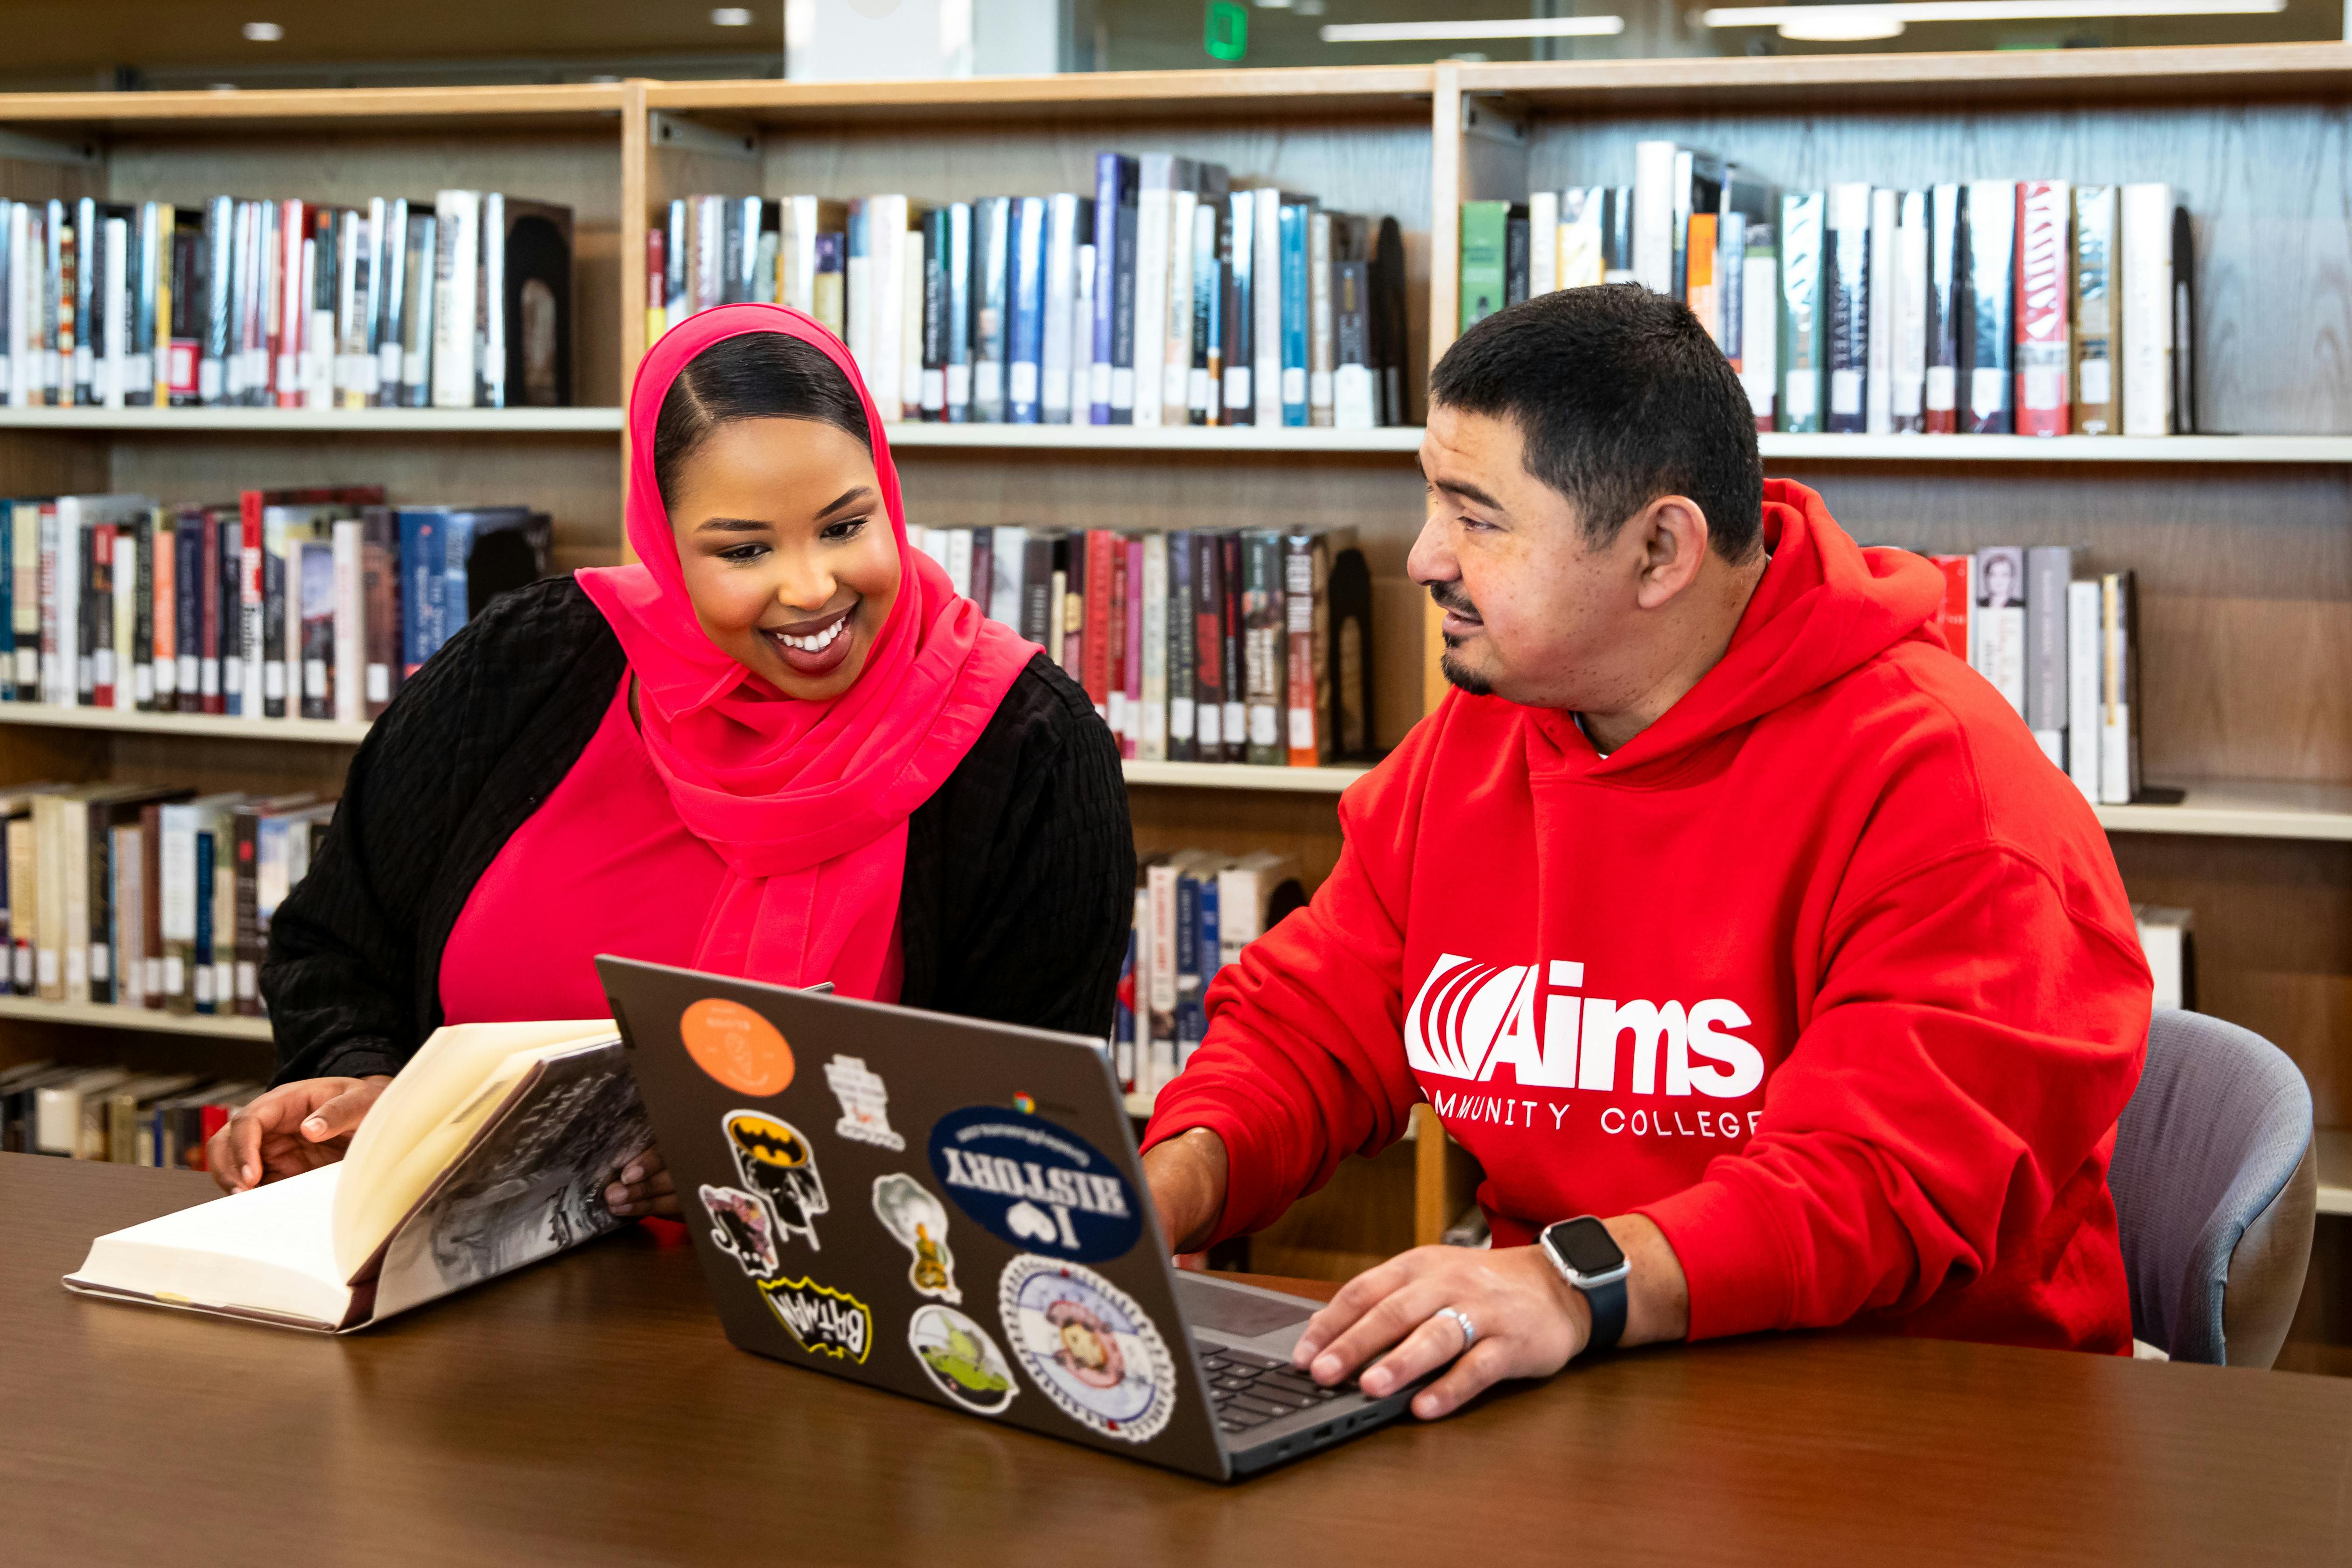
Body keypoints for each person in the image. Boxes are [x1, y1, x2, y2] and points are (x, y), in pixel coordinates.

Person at [1141, 285, 2151, 1421]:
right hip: (1580, 1396)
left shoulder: (1950, 796)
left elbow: (1871, 1185)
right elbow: (1311, 1027)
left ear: (1661, 548)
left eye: (1477, 518)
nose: (1424, 557)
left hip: (1914, 1422)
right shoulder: (1476, 739)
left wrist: (1574, 1286)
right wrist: (1168, 1187)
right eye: (1431, 499)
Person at [212, 304, 1133, 1207]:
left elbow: (1026, 1140)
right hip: (471, 1305)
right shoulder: (525, 665)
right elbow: (336, 940)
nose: (811, 587)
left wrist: (762, 1170)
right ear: (664, 542)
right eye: (745, 550)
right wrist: (357, 1084)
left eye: (846, 527)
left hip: (827, 1327)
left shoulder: (1030, 749)